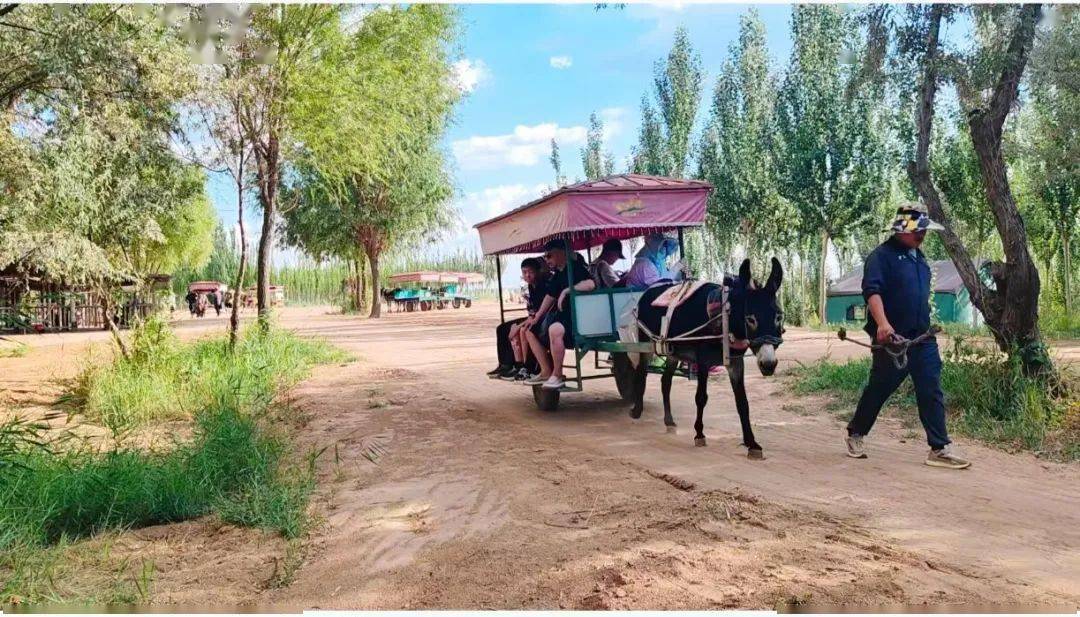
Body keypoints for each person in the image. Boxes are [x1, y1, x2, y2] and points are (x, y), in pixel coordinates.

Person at [845, 202, 970, 469]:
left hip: (922, 339)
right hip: (892, 341)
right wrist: (882, 324)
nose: (922, 235)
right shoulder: (881, 257)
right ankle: (856, 431)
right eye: (917, 230)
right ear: (902, 229)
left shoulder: (921, 260)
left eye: (924, 230)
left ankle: (939, 448)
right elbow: (872, 292)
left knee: (931, 388)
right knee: (880, 387)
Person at [525, 239, 595, 389]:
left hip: (577, 317)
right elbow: (549, 297)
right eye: (545, 257)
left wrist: (567, 290)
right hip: (563, 316)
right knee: (531, 330)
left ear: (561, 253)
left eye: (549, 256)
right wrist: (537, 317)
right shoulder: (558, 274)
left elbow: (591, 284)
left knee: (554, 329)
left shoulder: (576, 268)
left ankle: (557, 374)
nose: (547, 260)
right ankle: (545, 370)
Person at [486, 258, 548, 380]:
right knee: (502, 328)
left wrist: (517, 327)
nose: (527, 275)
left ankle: (522, 366)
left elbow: (536, 314)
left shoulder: (543, 286)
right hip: (533, 316)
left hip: (541, 317)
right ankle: (506, 364)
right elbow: (532, 313)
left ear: (538, 271)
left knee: (521, 330)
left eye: (530, 272)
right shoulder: (531, 286)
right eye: (524, 272)